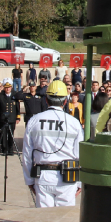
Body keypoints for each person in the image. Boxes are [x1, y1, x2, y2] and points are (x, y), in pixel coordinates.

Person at [22, 80, 84, 208]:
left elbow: (27, 154)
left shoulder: (34, 120)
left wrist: (29, 180)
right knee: (64, 219)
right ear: (65, 101)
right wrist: (79, 182)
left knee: (44, 220)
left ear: (46, 100)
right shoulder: (74, 122)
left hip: (43, 176)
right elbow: (80, 155)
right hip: (68, 177)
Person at [0, 78, 21, 155]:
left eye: (9, 87)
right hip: (3, 119)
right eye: (6, 87)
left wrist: (18, 117)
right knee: (4, 135)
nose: (7, 89)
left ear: (11, 87)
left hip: (12, 118)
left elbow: (17, 107)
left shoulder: (14, 95)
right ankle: (4, 149)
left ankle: (10, 149)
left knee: (11, 134)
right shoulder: (1, 95)